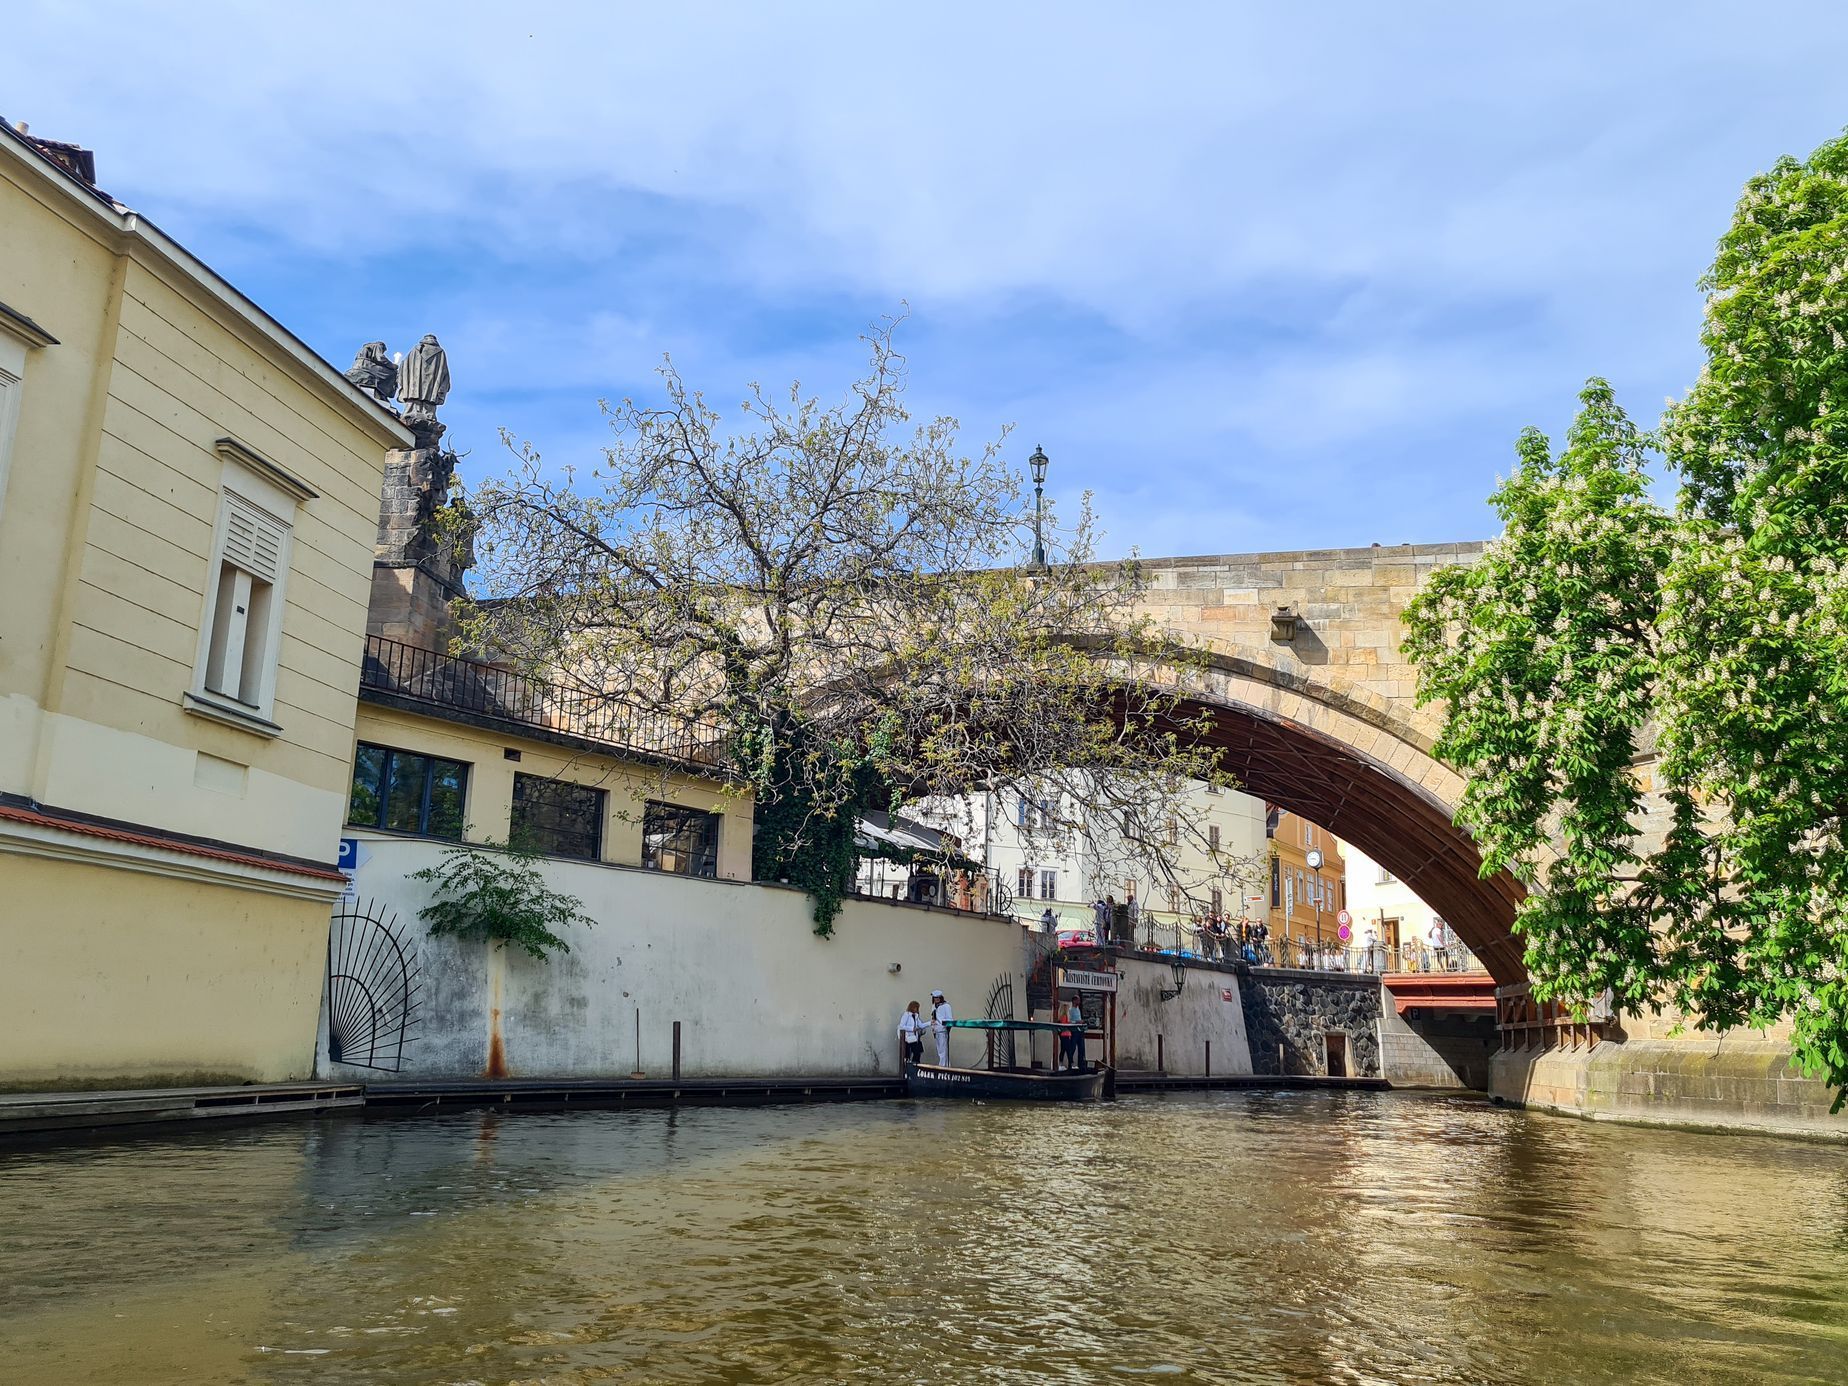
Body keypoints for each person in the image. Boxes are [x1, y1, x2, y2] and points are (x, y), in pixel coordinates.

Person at [1062, 995, 1087, 1072]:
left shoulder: (1078, 1009)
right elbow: (1069, 1021)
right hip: (1074, 1031)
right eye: (1078, 1000)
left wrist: (1081, 1022)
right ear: (1074, 1001)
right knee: (1072, 1047)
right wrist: (1077, 1022)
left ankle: (1081, 1065)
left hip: (1080, 1030)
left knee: (1081, 1048)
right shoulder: (1070, 1010)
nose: (1079, 1002)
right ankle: (1070, 1064)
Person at [898, 1001, 926, 1068]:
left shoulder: (916, 1016)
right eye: (916, 1007)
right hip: (908, 1038)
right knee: (907, 1054)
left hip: (914, 1038)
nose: (917, 1009)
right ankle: (906, 1068)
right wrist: (912, 1029)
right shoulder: (906, 1015)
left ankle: (914, 1066)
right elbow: (901, 1026)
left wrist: (930, 1023)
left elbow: (921, 1025)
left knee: (917, 1052)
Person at [930, 989, 953, 1066]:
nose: (936, 1000)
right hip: (936, 1030)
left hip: (943, 1030)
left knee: (943, 1051)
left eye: (937, 998)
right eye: (935, 998)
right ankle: (945, 1066)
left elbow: (949, 1019)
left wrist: (947, 1028)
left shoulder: (946, 1006)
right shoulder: (934, 1006)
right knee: (940, 1050)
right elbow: (933, 1017)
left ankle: (943, 1066)